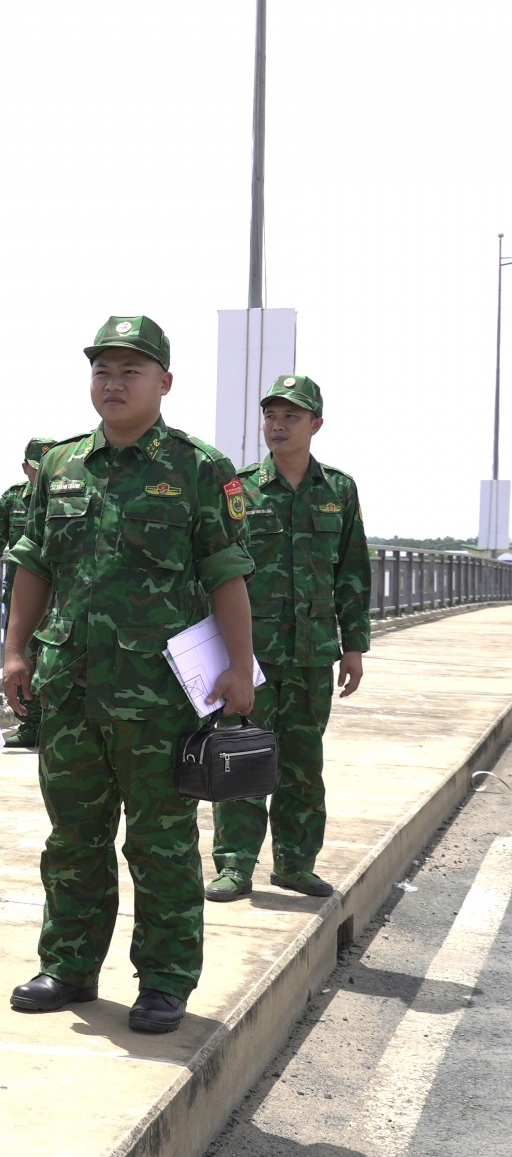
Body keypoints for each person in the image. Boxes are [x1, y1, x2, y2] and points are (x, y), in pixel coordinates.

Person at [0, 316, 256, 1036]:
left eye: (130, 372)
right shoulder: (60, 466)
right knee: (73, 836)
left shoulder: (199, 468)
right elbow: (34, 564)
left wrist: (240, 667)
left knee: (160, 840)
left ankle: (165, 978)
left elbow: (227, 573)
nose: (113, 384)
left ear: (164, 384)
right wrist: (15, 652)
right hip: (71, 686)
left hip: (160, 697)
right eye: (103, 371)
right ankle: (70, 966)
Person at [207, 375, 370, 902]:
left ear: (315, 425)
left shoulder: (339, 490)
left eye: (291, 417)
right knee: (241, 757)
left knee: (303, 762)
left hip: (312, 653)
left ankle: (296, 865)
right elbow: (213, 567)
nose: (277, 426)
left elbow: (352, 571)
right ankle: (234, 866)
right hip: (248, 655)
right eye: (271, 416)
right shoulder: (238, 486)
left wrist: (353, 646)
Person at [0, 437, 58, 749]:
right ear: (25, 468)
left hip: (61, 601)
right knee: (23, 659)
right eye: (36, 468)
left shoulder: (68, 497)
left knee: (55, 661)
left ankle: (55, 724)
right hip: (21, 600)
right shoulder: (13, 499)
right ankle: (30, 724)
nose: (41, 474)